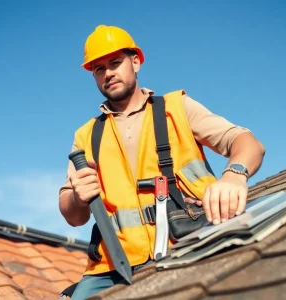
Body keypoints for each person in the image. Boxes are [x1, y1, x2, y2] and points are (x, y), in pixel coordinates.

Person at [59, 24, 265, 299]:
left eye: (115, 63)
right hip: (110, 268)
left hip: (190, 243)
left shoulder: (176, 109)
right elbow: (73, 215)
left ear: (136, 62)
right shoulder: (85, 136)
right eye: (99, 69)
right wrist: (77, 197)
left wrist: (234, 175)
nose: (108, 73)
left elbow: (247, 143)